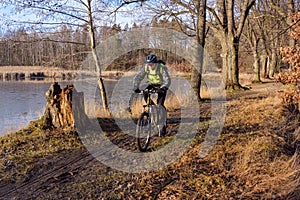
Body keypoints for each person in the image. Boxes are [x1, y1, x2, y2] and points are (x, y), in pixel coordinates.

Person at [133, 53, 171, 135]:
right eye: (148, 64)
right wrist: (136, 86)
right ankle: (150, 109)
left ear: (155, 63)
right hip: (152, 84)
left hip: (161, 86)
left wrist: (164, 87)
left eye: (151, 64)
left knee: (160, 105)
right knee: (145, 92)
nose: (150, 65)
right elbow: (138, 77)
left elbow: (167, 80)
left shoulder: (161, 68)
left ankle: (162, 125)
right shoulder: (146, 67)